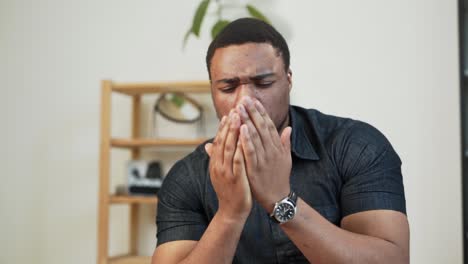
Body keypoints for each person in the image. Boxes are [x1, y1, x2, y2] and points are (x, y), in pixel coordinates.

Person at [151, 18, 409, 264]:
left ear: (288, 80)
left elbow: (393, 260)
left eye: (263, 83)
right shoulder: (187, 176)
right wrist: (229, 215)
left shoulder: (356, 145)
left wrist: (282, 201)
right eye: (228, 88)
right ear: (212, 90)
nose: (244, 102)